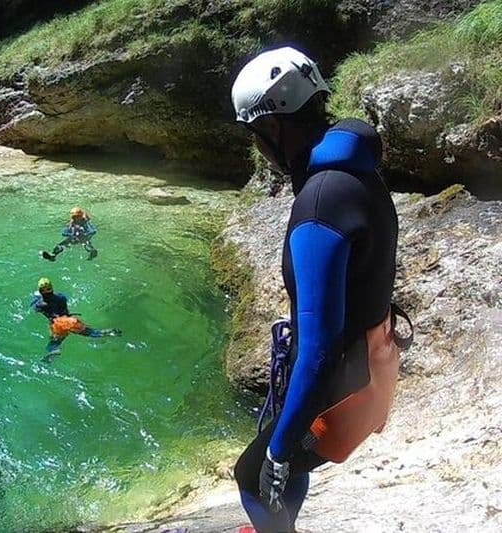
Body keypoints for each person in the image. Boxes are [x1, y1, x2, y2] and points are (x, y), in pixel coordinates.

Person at [229, 46, 408, 532]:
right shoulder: (357, 171)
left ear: (272, 128)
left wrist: (279, 451)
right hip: (374, 369)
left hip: (343, 389)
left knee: (254, 475)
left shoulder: (319, 205)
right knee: (281, 463)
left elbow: (319, 349)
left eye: (256, 136)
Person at [31, 277, 121, 362]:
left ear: (40, 291)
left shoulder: (39, 304)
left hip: (57, 325)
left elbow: (36, 309)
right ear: (52, 288)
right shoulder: (61, 297)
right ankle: (110, 332)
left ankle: (54, 351)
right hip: (70, 321)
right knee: (92, 333)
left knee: (53, 344)